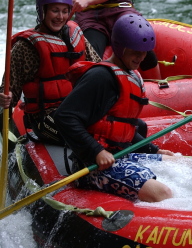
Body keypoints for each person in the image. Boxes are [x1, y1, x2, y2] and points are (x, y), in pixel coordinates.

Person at [54, 14, 173, 202]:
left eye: (144, 52)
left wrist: (154, 150)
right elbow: (64, 116)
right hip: (92, 165)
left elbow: (120, 127)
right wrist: (96, 151)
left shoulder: (130, 74)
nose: (141, 57)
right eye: (135, 51)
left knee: (175, 163)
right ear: (120, 47)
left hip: (120, 154)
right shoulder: (100, 77)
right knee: (163, 194)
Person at [0, 0, 101, 145]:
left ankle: (150, 152)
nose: (60, 16)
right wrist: (5, 99)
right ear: (42, 11)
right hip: (46, 117)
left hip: (78, 107)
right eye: (55, 10)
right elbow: (8, 92)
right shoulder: (25, 47)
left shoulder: (76, 34)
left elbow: (99, 69)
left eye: (64, 11)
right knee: (85, 136)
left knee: (116, 127)